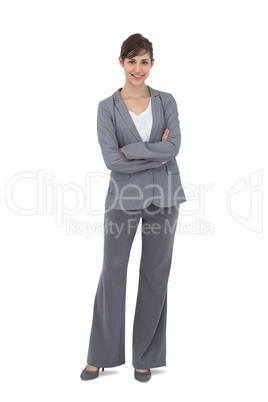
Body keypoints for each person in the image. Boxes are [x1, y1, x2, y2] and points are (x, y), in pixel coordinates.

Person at [80, 33, 186, 383]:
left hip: (165, 197)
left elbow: (174, 149)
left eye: (144, 61)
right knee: (112, 272)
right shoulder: (106, 108)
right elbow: (112, 160)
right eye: (132, 61)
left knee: (155, 277)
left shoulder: (167, 100)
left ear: (152, 64)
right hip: (122, 199)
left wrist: (133, 152)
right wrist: (154, 150)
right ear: (121, 62)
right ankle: (100, 355)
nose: (138, 68)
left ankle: (146, 357)